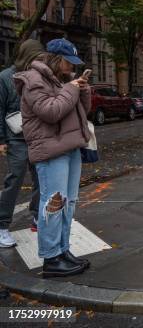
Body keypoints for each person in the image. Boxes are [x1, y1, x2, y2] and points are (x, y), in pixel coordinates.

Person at [14, 38, 92, 278]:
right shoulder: (33, 79)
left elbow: (79, 112)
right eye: (69, 62)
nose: (72, 68)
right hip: (50, 150)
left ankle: (62, 250)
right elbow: (50, 112)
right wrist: (72, 89)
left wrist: (83, 91)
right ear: (57, 59)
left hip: (69, 146)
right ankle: (51, 258)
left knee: (67, 203)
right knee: (54, 203)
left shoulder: (60, 79)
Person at [0, 40, 44, 247]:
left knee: (40, 179)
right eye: (36, 56)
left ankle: (36, 217)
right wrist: (1, 140)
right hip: (15, 137)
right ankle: (2, 226)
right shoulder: (5, 77)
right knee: (14, 180)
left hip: (36, 137)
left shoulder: (38, 75)